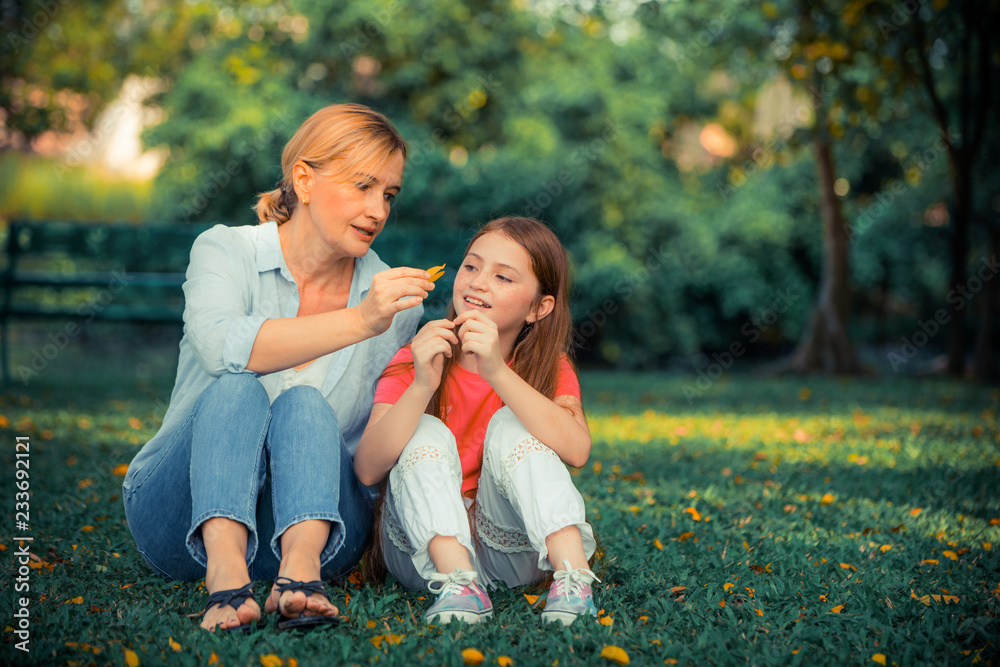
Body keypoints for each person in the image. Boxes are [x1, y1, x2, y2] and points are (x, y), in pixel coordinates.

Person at [122, 103, 432, 632]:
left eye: (389, 194)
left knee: (304, 403)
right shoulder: (226, 250)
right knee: (239, 386)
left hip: (322, 533)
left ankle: (300, 578)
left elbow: (372, 453)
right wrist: (360, 321)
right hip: (179, 519)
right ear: (304, 180)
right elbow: (222, 344)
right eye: (362, 186)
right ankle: (225, 575)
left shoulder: (395, 303)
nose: (378, 210)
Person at [354, 216, 600, 627]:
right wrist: (421, 386)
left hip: (512, 551)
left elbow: (577, 450)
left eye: (503, 277)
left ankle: (573, 579)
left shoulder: (548, 366)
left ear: (539, 308)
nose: (478, 282)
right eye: (471, 266)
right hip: (423, 555)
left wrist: (498, 373)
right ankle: (459, 584)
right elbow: (367, 469)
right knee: (424, 427)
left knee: (515, 421)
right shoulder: (418, 356)